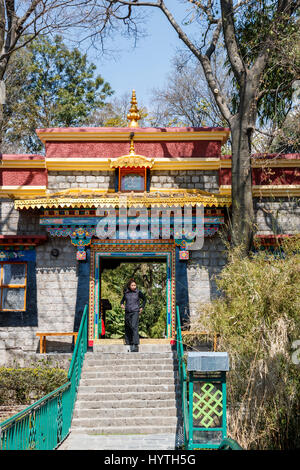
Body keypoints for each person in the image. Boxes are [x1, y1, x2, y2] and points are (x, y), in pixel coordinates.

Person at [120, 278, 146, 352]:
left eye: (135, 285)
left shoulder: (138, 292)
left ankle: (135, 345)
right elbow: (122, 301)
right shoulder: (126, 293)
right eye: (132, 285)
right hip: (127, 311)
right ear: (129, 286)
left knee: (134, 326)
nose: (134, 286)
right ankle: (128, 342)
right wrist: (122, 304)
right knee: (128, 326)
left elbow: (144, 299)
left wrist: (142, 307)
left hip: (135, 311)